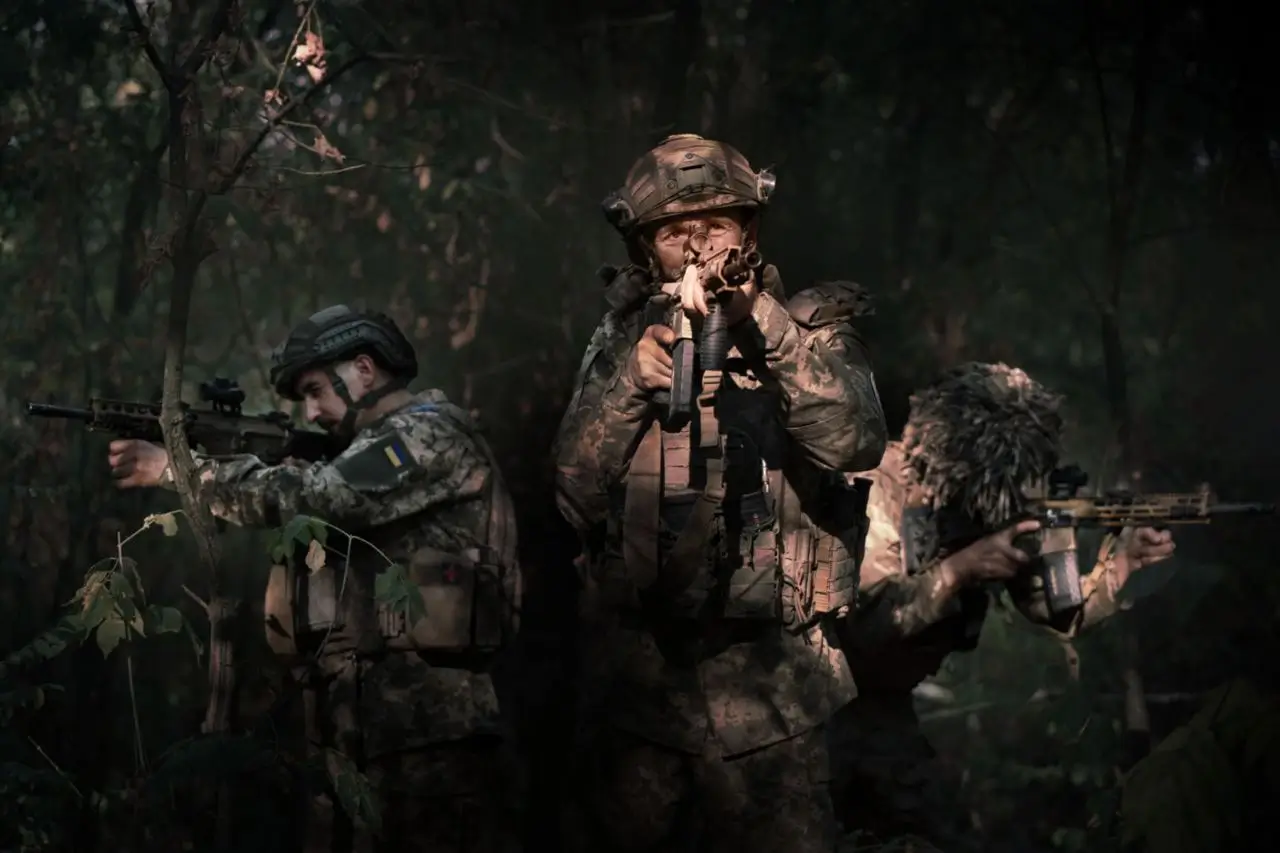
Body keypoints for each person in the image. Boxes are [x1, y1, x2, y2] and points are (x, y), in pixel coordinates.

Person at [553, 132, 888, 853]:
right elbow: (572, 491)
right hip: (640, 693)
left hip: (774, 696)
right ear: (647, 249)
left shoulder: (809, 332)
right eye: (675, 231)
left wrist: (755, 321)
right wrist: (631, 387)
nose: (698, 244)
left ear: (750, 232)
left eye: (717, 224)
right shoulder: (621, 337)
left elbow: (855, 440)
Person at [107, 305, 523, 853]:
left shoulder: (426, 434)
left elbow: (321, 496)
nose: (311, 410)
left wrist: (179, 470)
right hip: (354, 732)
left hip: (432, 732)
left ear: (365, 370)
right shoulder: (369, 448)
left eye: (315, 390)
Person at [830, 362, 1176, 850]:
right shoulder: (873, 491)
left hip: (887, 710)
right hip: (819, 707)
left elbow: (1059, 611)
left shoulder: (994, 498)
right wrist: (959, 570)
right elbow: (862, 630)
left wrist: (1121, 566)